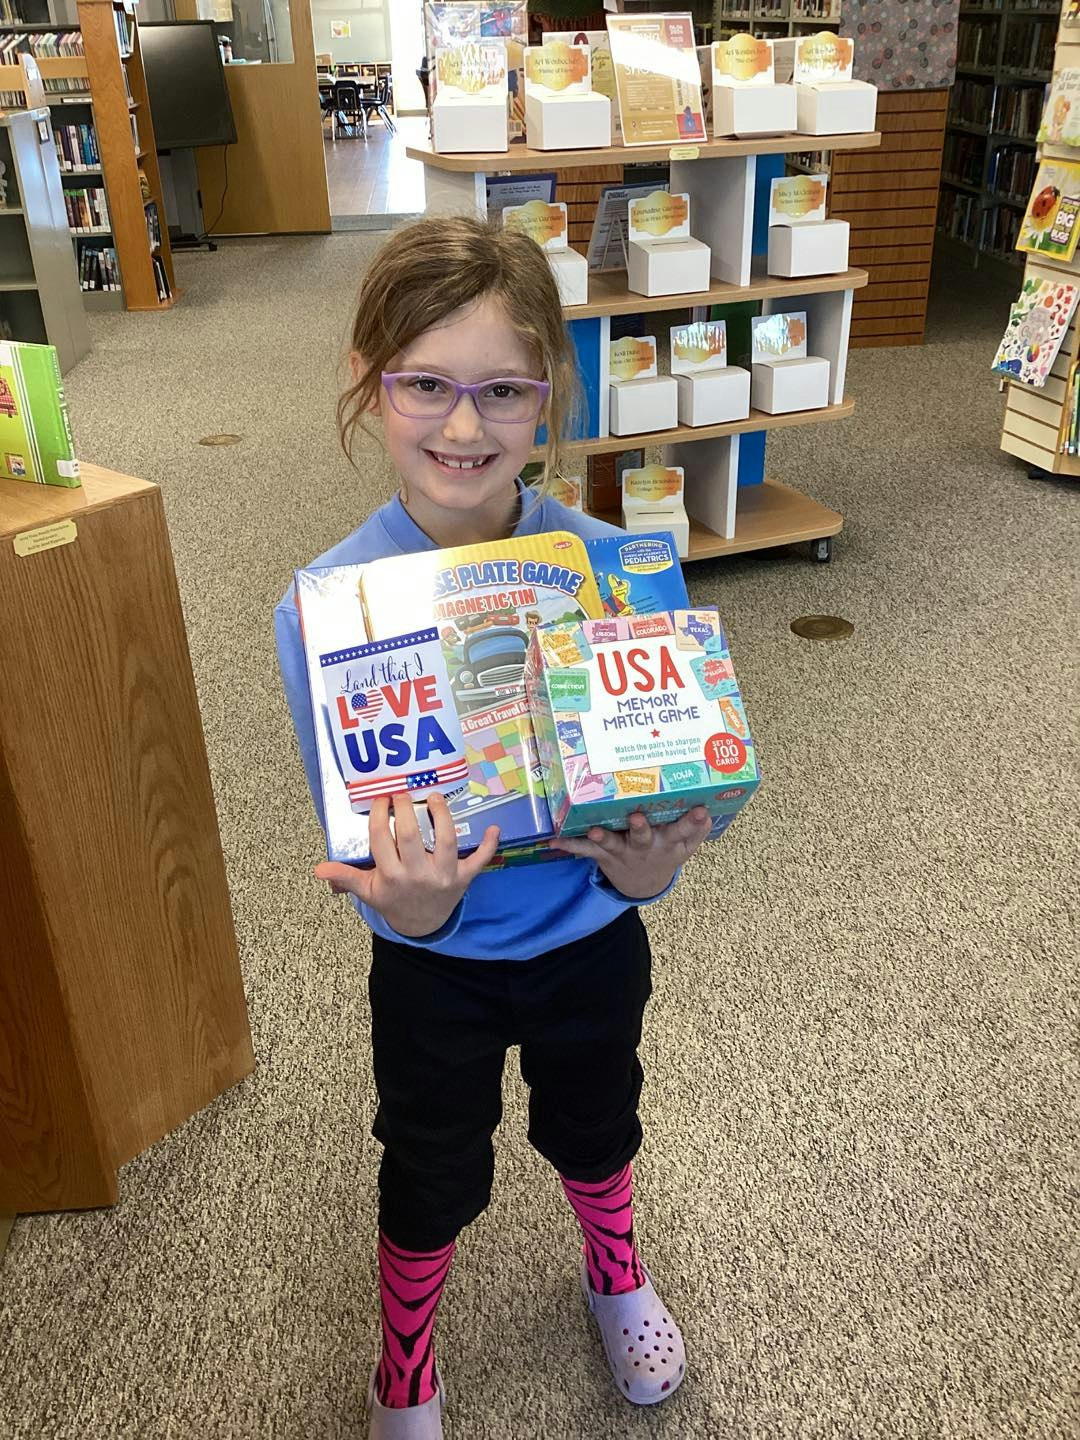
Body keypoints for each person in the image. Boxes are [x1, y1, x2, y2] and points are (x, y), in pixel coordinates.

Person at [274, 215, 713, 1439]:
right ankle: (406, 1361)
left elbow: (665, 793)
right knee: (427, 1164)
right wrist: (411, 913)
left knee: (600, 1120)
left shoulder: (618, 572)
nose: (463, 427)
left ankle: (614, 1271)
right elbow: (361, 840)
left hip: (587, 931)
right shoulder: (327, 610)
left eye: (503, 391)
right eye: (426, 384)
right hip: (436, 964)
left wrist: (648, 877)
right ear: (369, 380)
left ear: (550, 394)